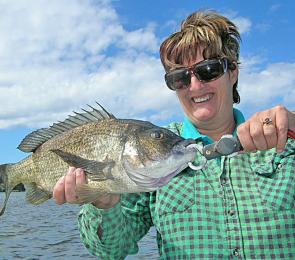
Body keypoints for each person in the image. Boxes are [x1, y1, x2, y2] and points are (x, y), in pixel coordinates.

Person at [53, 10, 295, 259]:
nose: (195, 86)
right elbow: (110, 251)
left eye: (208, 69)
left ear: (232, 72)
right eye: (180, 77)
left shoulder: (283, 139)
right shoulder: (147, 157)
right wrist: (103, 204)